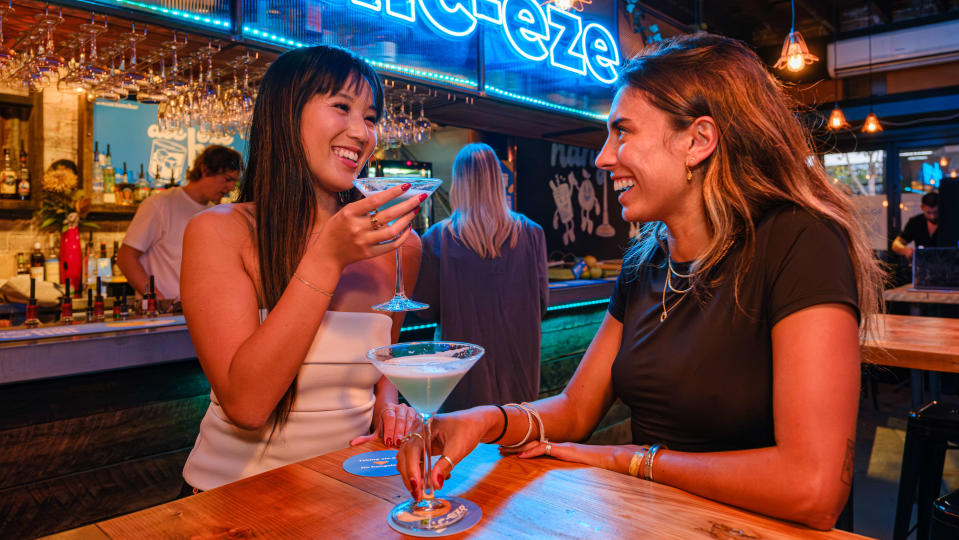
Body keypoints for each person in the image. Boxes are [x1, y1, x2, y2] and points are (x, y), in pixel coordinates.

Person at [397, 33, 883, 531]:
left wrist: (626, 459)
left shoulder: (800, 242)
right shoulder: (646, 258)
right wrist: (483, 421)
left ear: (698, 140)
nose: (603, 157)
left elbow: (813, 488)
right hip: (650, 521)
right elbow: (575, 408)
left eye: (622, 133)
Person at [178, 45, 423, 491]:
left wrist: (390, 408)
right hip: (229, 503)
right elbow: (247, 406)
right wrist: (328, 258)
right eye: (342, 108)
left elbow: (380, 367)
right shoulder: (218, 232)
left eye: (370, 118)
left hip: (345, 496)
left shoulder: (400, 248)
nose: (362, 133)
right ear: (285, 113)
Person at [412, 143, 548, 411]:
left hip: (461, 378)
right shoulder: (532, 233)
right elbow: (541, 304)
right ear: (498, 180)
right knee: (515, 442)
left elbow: (425, 311)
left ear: (458, 183)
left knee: (465, 447)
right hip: (519, 370)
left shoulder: (438, 238)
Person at [117, 145, 243, 301]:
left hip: (201, 311)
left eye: (234, 181)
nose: (231, 187)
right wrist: (156, 298)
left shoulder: (216, 212)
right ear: (205, 170)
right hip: (165, 315)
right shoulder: (159, 205)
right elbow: (125, 258)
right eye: (227, 179)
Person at [892, 190, 939, 259]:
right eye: (928, 213)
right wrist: (906, 250)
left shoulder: (949, 223)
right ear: (922, 208)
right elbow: (895, 244)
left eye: (936, 212)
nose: (932, 216)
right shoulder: (916, 222)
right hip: (922, 266)